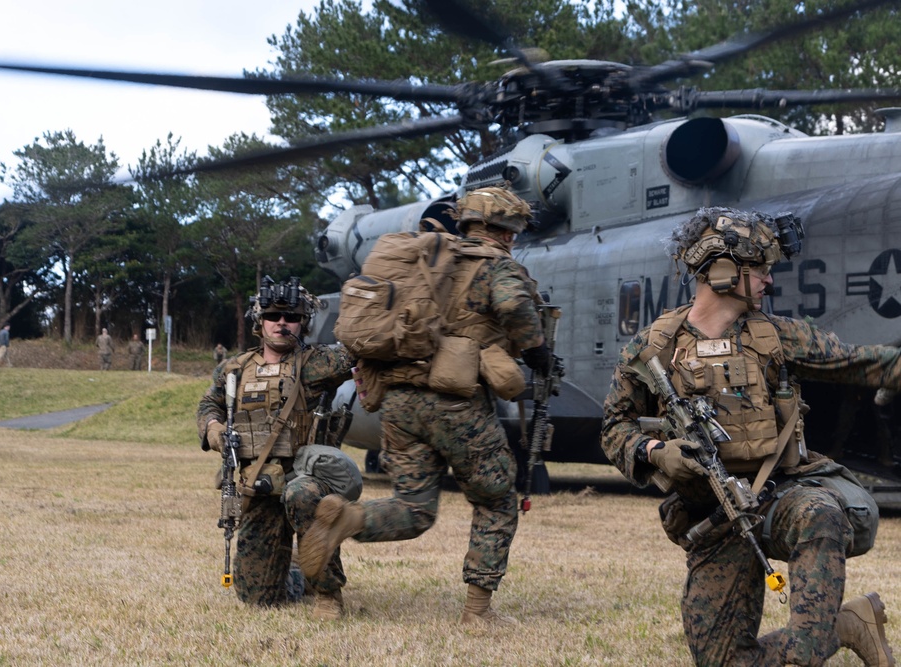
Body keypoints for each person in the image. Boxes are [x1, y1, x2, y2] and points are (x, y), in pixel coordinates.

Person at [601, 206, 898, 666]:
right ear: (721, 270)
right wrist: (657, 451)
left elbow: (862, 361)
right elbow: (615, 427)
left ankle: (807, 652)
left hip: (782, 495)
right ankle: (847, 624)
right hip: (714, 516)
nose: (769, 280)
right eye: (759, 268)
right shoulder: (653, 349)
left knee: (819, 512)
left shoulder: (777, 337)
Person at [299, 186, 552, 625]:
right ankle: (477, 612)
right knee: (495, 501)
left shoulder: (423, 260)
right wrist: (537, 352)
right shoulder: (494, 265)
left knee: (413, 508)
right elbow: (512, 304)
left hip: (398, 402)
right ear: (508, 231)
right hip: (458, 404)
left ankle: (349, 517)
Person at [196, 276, 355, 619]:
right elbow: (208, 405)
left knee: (303, 496)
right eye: (272, 315)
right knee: (258, 597)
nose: (281, 323)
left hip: (306, 477)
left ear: (304, 322)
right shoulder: (234, 369)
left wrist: (357, 301)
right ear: (259, 320)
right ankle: (296, 570)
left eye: (292, 317)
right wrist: (214, 430)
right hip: (259, 482)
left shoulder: (316, 364)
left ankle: (327, 593)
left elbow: (358, 349)